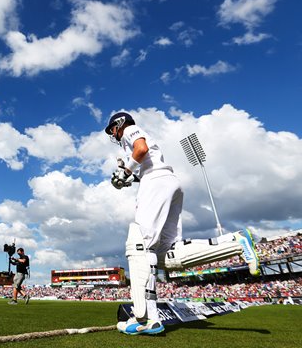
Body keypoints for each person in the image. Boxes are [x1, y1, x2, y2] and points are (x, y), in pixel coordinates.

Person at [104, 112, 260, 335]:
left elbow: (141, 149)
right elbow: (145, 162)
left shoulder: (129, 130)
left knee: (139, 246)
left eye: (112, 129)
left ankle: (145, 318)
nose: (113, 134)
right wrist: (129, 176)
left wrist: (125, 170)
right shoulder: (133, 145)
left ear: (119, 124)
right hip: (167, 183)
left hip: (156, 182)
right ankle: (235, 242)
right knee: (166, 255)